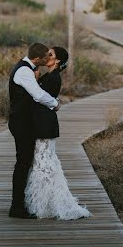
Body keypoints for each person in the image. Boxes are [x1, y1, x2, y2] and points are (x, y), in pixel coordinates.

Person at [25, 46, 91, 219]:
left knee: (44, 163)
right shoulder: (48, 76)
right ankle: (44, 201)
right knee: (43, 161)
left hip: (45, 124)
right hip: (42, 122)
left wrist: (37, 83)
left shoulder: (54, 78)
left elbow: (41, 99)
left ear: (58, 60)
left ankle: (44, 204)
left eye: (51, 54)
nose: (47, 56)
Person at [8, 42, 60, 219]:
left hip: (25, 123)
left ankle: (21, 203)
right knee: (22, 163)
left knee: (25, 162)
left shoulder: (28, 70)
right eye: (46, 57)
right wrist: (55, 103)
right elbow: (37, 94)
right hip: (21, 123)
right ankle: (16, 207)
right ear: (37, 59)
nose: (48, 59)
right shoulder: (23, 71)